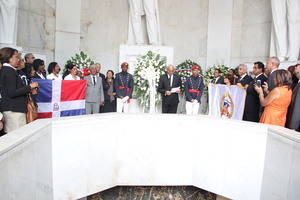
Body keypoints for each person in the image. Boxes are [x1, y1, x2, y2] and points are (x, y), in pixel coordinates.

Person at [0, 47, 38, 133]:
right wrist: (29, 87)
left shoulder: (8, 70)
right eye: (16, 57)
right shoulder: (9, 71)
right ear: (9, 58)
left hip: (13, 108)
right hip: (14, 110)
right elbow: (12, 92)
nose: (19, 59)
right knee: (16, 137)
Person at [286, 64, 300, 131]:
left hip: (297, 123)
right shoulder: (297, 83)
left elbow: (297, 106)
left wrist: (293, 125)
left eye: (296, 69)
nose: (295, 71)